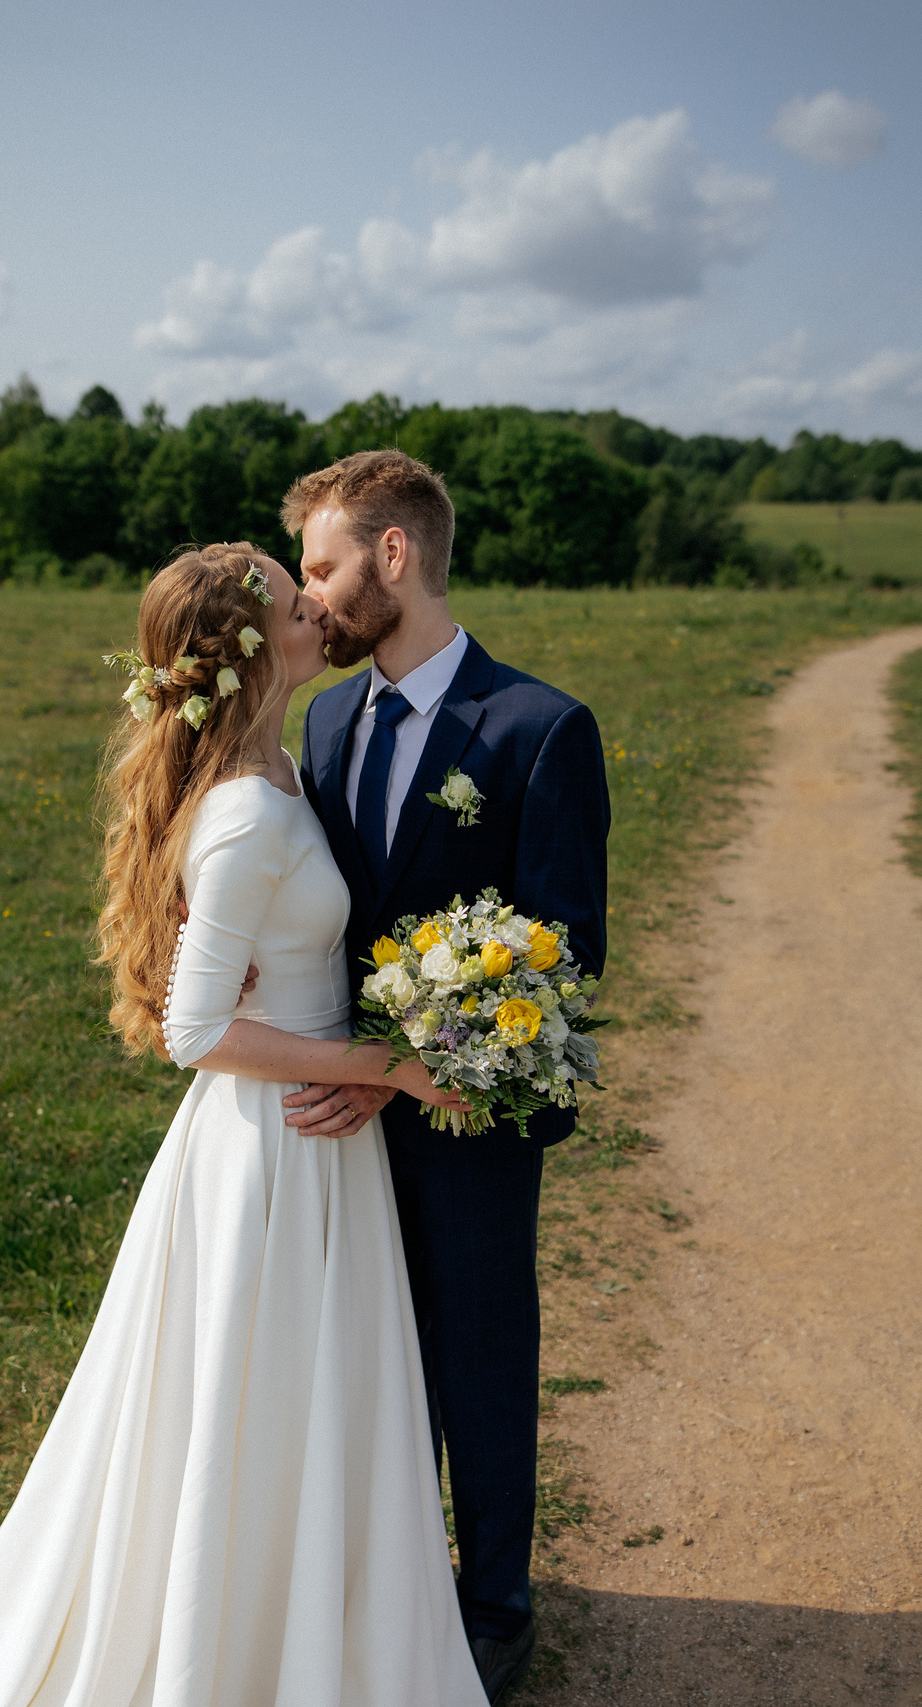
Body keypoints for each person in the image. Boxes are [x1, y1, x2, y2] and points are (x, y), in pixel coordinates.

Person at [0, 544, 488, 1707]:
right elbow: (194, 1030)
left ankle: (300, 1625)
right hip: (271, 1153)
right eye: (298, 605)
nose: (320, 611)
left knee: (300, 1404)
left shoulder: (280, 767)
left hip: (313, 1145)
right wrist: (378, 1062)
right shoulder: (242, 813)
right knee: (254, 1402)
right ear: (252, 653)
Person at [276, 451, 611, 1704]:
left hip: (471, 1113)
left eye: (323, 567)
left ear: (394, 555)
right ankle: (391, 1577)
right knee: (365, 1353)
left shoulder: (539, 730)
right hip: (336, 1116)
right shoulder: (323, 717)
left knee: (478, 1352)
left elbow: (564, 952)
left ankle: (493, 1605)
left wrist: (415, 1068)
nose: (310, 599)